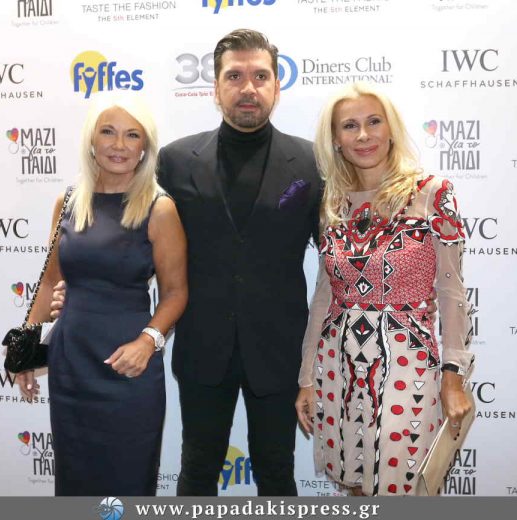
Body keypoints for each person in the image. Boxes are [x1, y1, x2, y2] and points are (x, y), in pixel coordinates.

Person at [52, 29, 321, 496]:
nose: (248, 88)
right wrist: (77, 286)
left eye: (260, 76)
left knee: (278, 475)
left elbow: (338, 257)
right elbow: (122, 231)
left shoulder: (311, 162)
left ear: (277, 85)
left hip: (279, 351)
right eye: (234, 76)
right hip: (202, 349)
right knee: (196, 473)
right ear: (215, 87)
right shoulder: (174, 161)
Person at [294, 83, 474, 496]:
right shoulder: (332, 202)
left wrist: (453, 378)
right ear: (335, 139)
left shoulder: (432, 193)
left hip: (408, 364)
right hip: (338, 366)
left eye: (374, 122)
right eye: (349, 126)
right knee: (356, 485)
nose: (363, 135)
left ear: (391, 128)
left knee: (401, 486)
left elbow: (452, 293)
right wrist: (307, 378)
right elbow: (323, 296)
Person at [15, 90, 187, 496]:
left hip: (130, 366)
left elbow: (176, 292)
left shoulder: (159, 207)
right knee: (75, 482)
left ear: (145, 146)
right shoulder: (68, 202)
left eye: (132, 135)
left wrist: (147, 342)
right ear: (91, 138)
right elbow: (49, 281)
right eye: (108, 132)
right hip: (71, 362)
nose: (119, 144)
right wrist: (25, 347)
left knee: (128, 482)